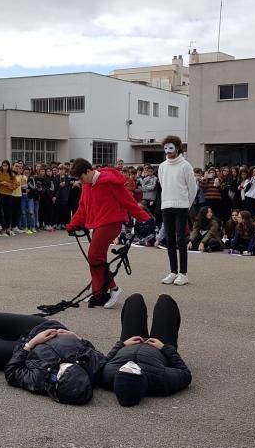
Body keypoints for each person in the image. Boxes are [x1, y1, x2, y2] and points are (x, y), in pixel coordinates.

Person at [0, 313, 106, 405]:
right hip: (44, 328)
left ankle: (5, 343)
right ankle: (7, 339)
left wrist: (30, 344)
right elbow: (97, 353)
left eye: (58, 372)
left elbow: (12, 372)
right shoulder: (92, 366)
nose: (60, 367)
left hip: (24, 350)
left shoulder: (40, 380)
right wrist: (76, 337)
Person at [66, 158, 152, 308]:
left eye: (81, 177)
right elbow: (83, 207)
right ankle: (99, 292)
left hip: (111, 223)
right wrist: (73, 224)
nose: (81, 181)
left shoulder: (109, 182)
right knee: (97, 258)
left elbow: (128, 201)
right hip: (98, 224)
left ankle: (114, 289)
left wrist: (144, 218)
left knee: (94, 255)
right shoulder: (87, 185)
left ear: (88, 171)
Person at [100, 293, 191, 407]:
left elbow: (102, 362)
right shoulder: (161, 380)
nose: (130, 363)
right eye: (133, 368)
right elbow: (185, 373)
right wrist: (165, 348)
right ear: (141, 377)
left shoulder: (107, 376)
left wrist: (122, 344)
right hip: (158, 347)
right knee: (165, 301)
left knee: (134, 300)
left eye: (123, 368)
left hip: (130, 342)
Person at [157, 135, 198, 286]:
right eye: (165, 148)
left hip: (181, 206)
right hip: (166, 205)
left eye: (171, 148)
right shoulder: (162, 166)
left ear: (177, 148)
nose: (168, 151)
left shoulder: (185, 165)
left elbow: (192, 187)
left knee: (181, 240)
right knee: (170, 240)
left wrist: (187, 204)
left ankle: (183, 273)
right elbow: (163, 184)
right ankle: (173, 271)